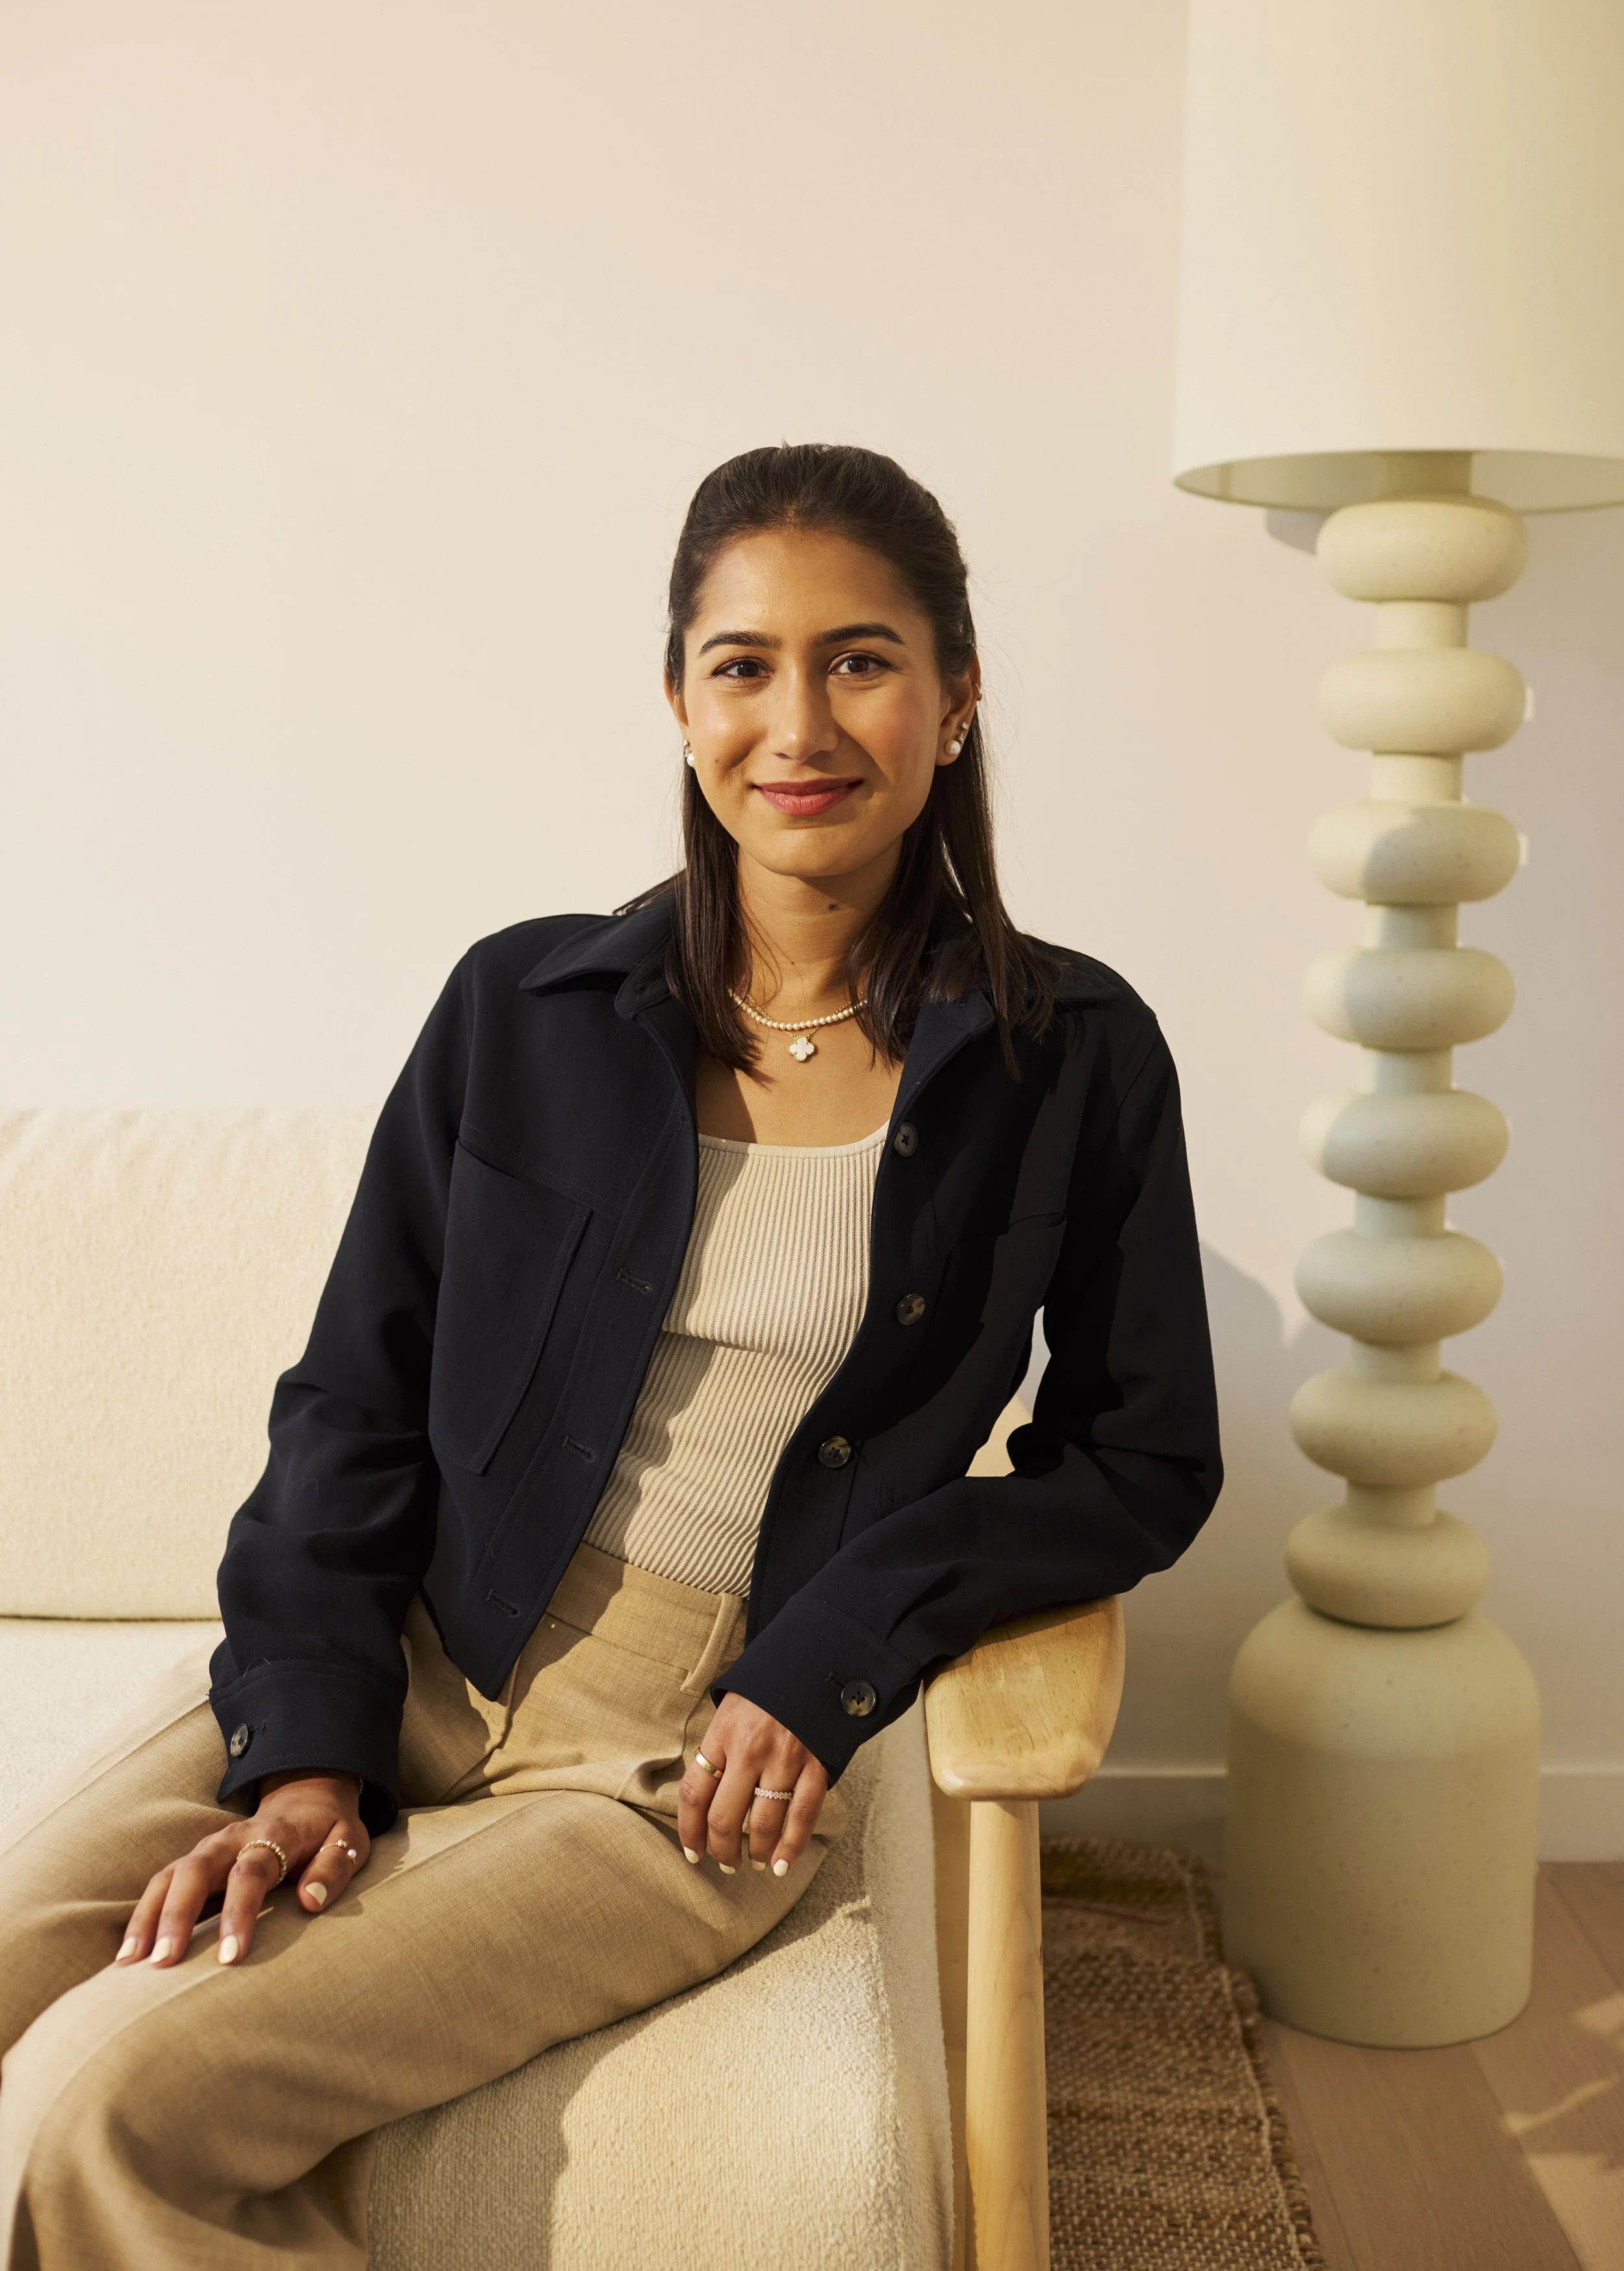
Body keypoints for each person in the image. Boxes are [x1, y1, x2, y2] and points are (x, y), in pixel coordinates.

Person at [0, 442, 1223, 2266]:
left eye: (861, 659)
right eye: (742, 663)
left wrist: (836, 1650)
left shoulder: (1074, 1054)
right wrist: (305, 1755)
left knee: (104, 2102)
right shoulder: (523, 1005)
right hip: (411, 1627)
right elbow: (352, 1395)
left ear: (957, 699)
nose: (797, 720)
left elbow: (1141, 1453)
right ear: (676, 699)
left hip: (681, 1760)